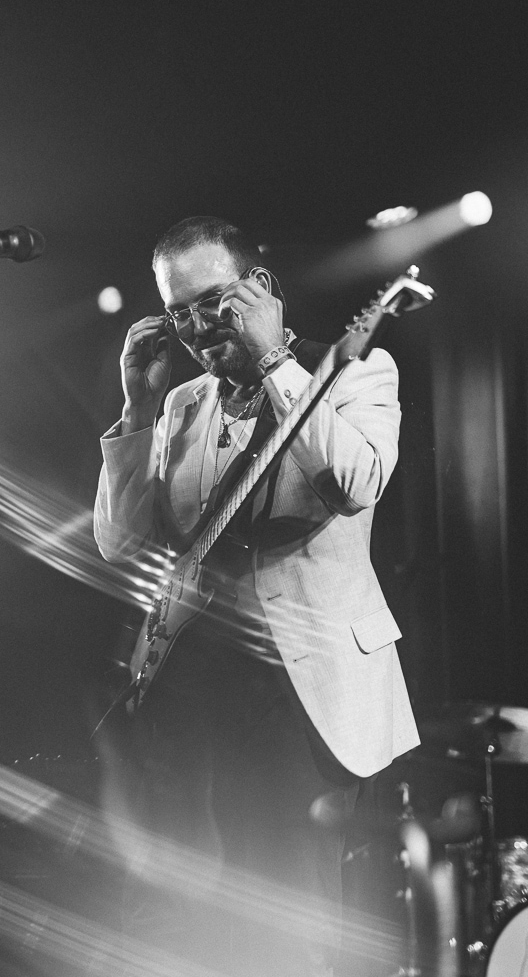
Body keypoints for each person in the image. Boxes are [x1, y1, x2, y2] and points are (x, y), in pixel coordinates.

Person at [94, 216, 419, 976]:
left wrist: (275, 361)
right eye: (180, 312)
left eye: (213, 302)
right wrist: (139, 411)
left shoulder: (356, 375)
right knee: (199, 910)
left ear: (261, 289)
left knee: (292, 907)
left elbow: (350, 484)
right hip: (198, 688)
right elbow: (121, 544)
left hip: (300, 694)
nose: (199, 326)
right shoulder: (181, 405)